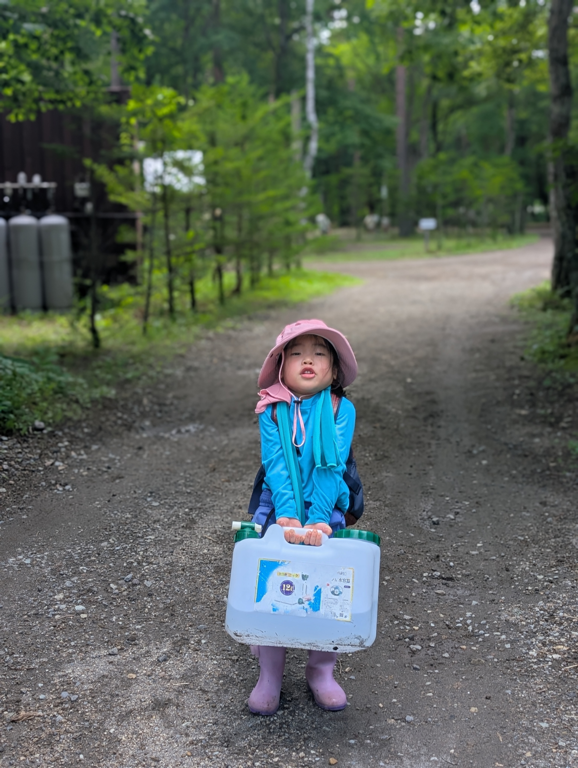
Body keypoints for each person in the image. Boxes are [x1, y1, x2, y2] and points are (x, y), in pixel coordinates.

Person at [248, 318, 358, 716]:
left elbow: (332, 466)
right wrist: (288, 518)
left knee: (328, 589)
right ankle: (270, 675)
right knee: (274, 585)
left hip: (326, 509)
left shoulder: (340, 408)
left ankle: (321, 670)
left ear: (333, 368)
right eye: (295, 353)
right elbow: (276, 464)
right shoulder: (271, 410)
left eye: (319, 353)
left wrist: (316, 521)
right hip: (280, 508)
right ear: (281, 366)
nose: (307, 360)